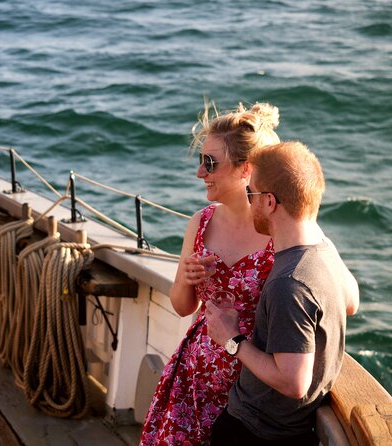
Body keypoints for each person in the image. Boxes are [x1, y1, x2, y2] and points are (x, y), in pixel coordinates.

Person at [140, 102, 280, 446]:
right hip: (194, 380)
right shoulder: (201, 223)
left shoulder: (281, 229)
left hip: (248, 391)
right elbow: (183, 307)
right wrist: (186, 278)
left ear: (245, 169)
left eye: (210, 163)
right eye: (202, 162)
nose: (200, 173)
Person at [205, 141, 360, 445]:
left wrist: (231, 339)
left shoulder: (289, 284)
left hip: (256, 432)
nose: (249, 203)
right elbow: (351, 302)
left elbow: (294, 383)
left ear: (270, 202)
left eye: (251, 194)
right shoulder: (324, 251)